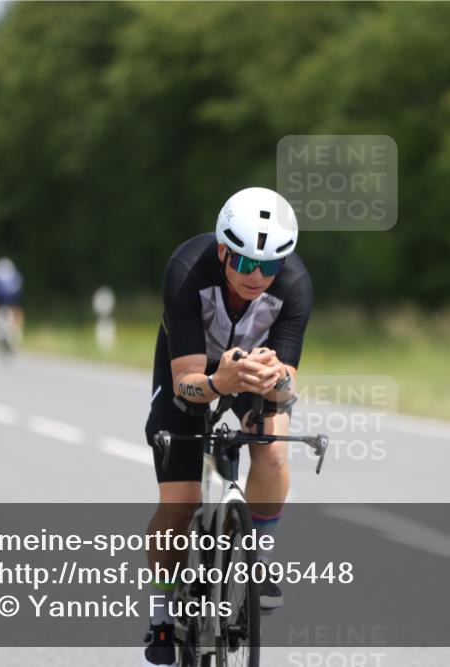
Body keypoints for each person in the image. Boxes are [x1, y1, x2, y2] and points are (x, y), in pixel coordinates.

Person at [142, 187, 312, 666]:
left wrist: (276, 382)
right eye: (243, 261)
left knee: (274, 451)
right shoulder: (186, 271)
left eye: (270, 265)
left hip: (253, 370)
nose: (256, 275)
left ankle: (258, 556)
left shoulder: (296, 285)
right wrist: (220, 381)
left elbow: (288, 384)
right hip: (192, 367)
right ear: (222, 249)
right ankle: (160, 616)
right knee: (179, 505)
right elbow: (185, 386)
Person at [0, 256, 24, 350]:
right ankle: (15, 330)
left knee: (13, 308)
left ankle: (11, 330)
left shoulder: (0, 277)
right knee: (16, 308)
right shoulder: (14, 276)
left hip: (4, 299)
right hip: (9, 299)